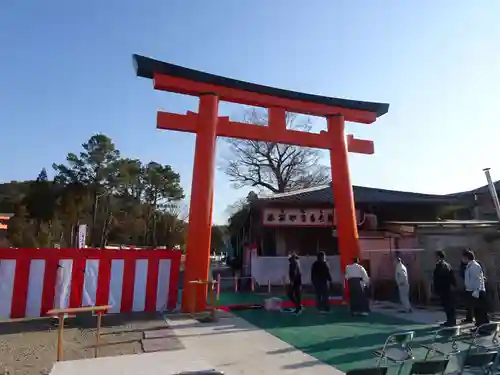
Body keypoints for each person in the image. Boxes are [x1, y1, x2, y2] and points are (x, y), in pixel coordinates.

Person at [462, 249, 489, 329]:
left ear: (467, 257)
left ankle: (484, 327)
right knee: (477, 311)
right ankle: (479, 326)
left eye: (463, 257)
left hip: (477, 291)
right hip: (472, 291)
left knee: (481, 311)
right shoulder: (469, 265)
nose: (462, 259)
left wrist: (477, 290)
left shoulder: (475, 266)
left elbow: (478, 279)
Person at [433, 251, 457, 327]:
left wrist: (437, 288)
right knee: (449, 306)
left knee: (448, 305)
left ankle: (451, 321)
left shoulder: (442, 266)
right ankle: (451, 320)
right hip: (447, 289)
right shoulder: (447, 265)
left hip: (445, 289)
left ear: (439, 257)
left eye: (436, 256)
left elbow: (440, 278)